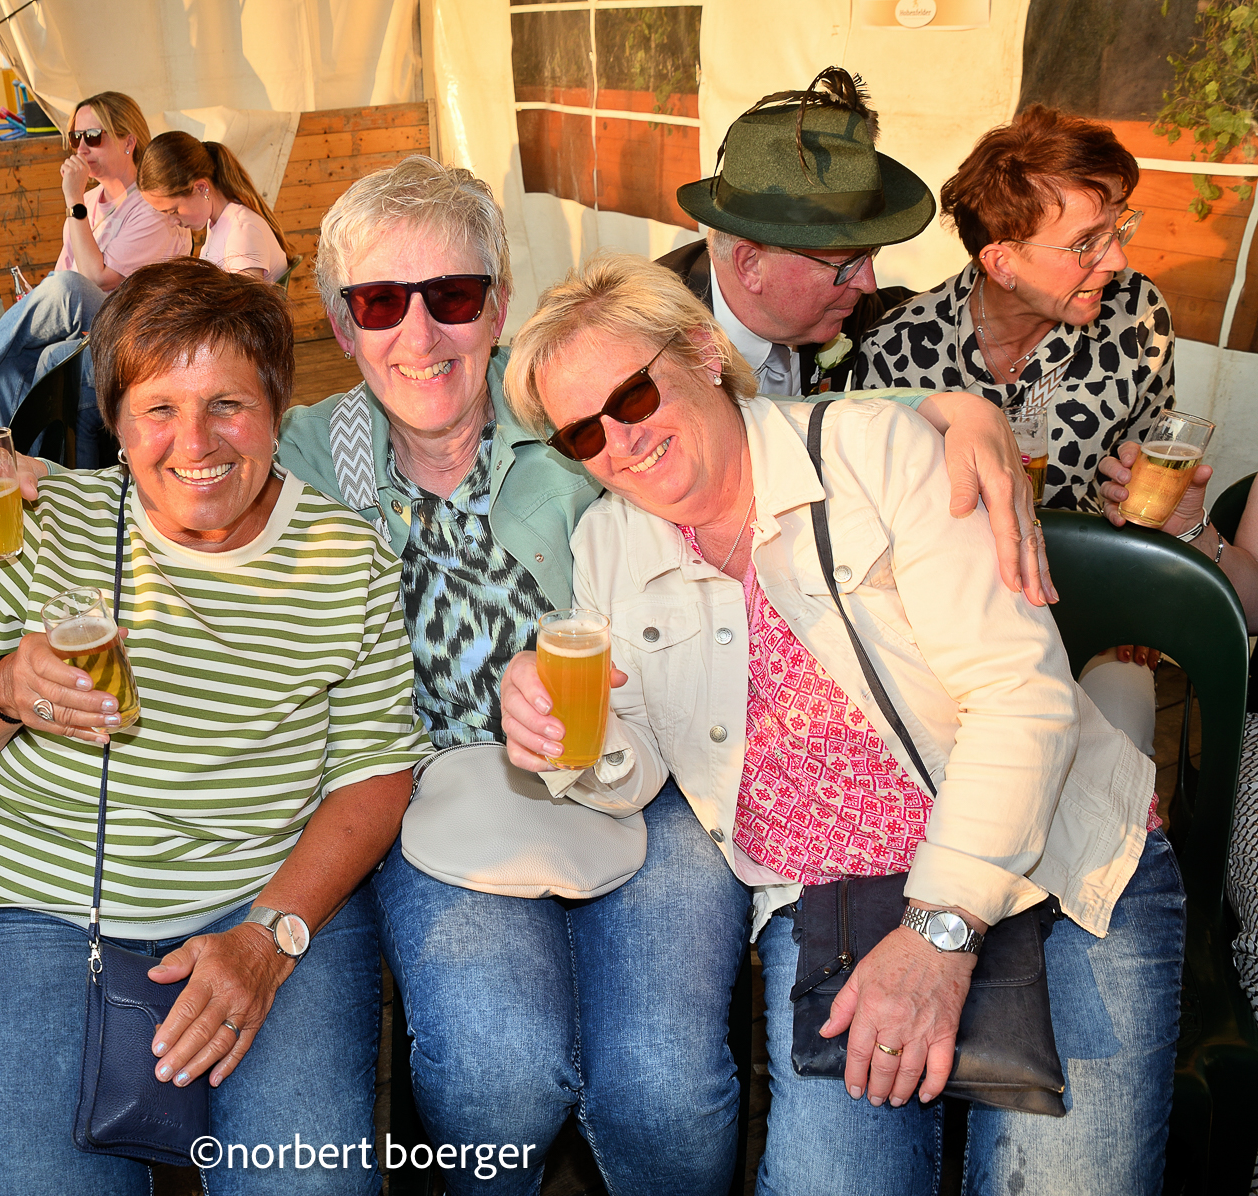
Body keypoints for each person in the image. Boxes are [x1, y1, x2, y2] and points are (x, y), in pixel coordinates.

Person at [0, 157, 1044, 1192]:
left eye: (452, 296)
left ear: (497, 306)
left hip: (644, 765)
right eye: (380, 303)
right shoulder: (302, 447)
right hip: (444, 793)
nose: (418, 333)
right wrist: (8, 468)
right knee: (498, 1068)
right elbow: (176, 450)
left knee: (662, 1083)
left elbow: (734, 425)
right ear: (342, 326)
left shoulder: (567, 413)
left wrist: (947, 409)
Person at [500, 251, 1181, 1196]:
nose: (620, 442)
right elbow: (640, 770)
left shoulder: (878, 453)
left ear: (701, 353)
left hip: (1051, 863)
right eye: (583, 434)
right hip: (832, 908)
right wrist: (564, 731)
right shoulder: (608, 542)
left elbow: (1019, 695)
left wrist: (937, 934)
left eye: (633, 397)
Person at [0, 257, 425, 1196]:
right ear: (114, 420)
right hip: (29, 904)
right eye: (159, 409)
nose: (196, 441)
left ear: (279, 408)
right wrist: (5, 688)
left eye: (229, 404)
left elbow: (376, 774)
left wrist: (268, 938)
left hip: (261, 898)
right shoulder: (44, 517)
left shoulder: (349, 559)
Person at [856, 105, 1176, 754]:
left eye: (1119, 227)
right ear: (1003, 262)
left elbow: (1153, 463)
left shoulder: (1138, 317)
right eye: (1086, 243)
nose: (1115, 259)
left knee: (1125, 749)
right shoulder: (898, 350)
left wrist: (1142, 590)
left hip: (1092, 617)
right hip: (942, 638)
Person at [0, 91, 188, 461]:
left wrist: (73, 201)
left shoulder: (152, 205)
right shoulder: (89, 202)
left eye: (93, 136)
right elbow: (63, 272)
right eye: (75, 138)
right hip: (82, 326)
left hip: (130, 329)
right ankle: (9, 468)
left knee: (67, 288)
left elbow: (96, 278)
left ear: (128, 141)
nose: (81, 148)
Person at [660, 68, 927, 397]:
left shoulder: (846, 307)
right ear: (750, 264)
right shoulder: (651, 346)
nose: (868, 283)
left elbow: (924, 314)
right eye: (846, 265)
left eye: (871, 253)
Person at [137, 130, 291, 282]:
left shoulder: (242, 232)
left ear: (201, 188)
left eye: (174, 211)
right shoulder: (220, 221)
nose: (171, 222)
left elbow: (246, 299)